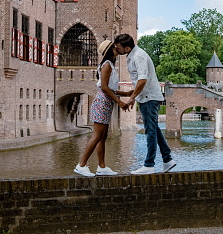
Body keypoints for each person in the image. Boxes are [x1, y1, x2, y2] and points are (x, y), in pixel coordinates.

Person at [114, 33, 176, 175]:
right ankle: (167, 159)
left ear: (127, 47)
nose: (117, 49)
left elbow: (142, 80)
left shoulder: (138, 56)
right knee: (154, 128)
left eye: (118, 47)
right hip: (146, 97)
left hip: (149, 98)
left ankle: (149, 164)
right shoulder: (132, 55)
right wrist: (132, 93)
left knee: (150, 131)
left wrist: (132, 98)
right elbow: (139, 81)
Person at [74, 40, 133, 176]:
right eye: (114, 46)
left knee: (102, 136)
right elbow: (105, 88)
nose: (118, 47)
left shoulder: (110, 64)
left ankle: (101, 167)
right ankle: (81, 165)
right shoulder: (106, 65)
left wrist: (126, 94)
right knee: (96, 136)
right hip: (102, 102)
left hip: (106, 102)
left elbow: (110, 89)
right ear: (110, 49)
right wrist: (119, 102)